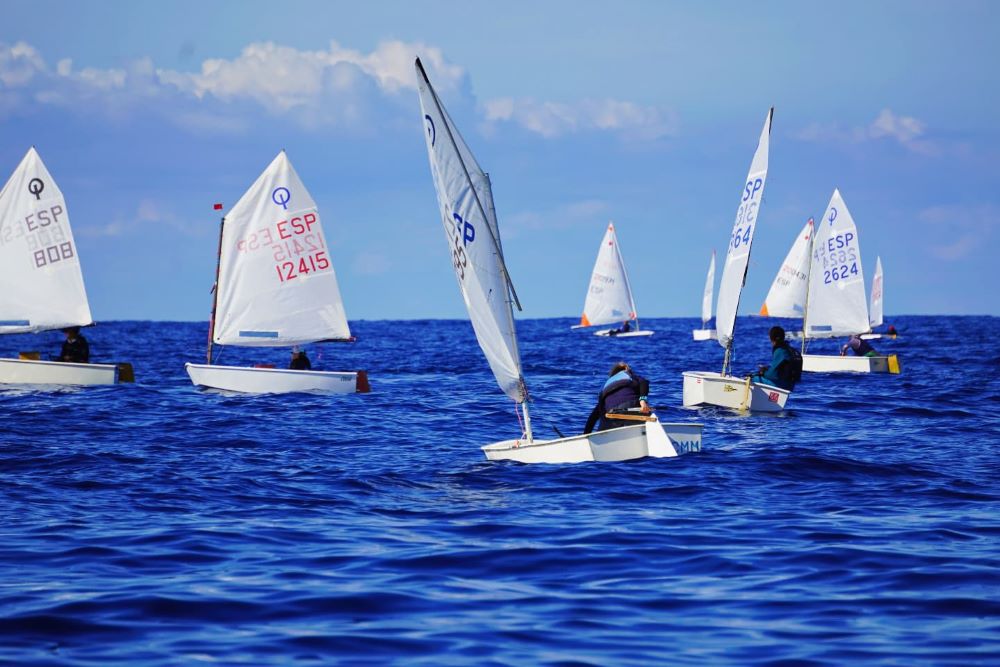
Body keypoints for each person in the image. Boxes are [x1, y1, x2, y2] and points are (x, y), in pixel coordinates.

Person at [584, 361, 650, 433]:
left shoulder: (606, 386)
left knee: (603, 422)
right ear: (627, 369)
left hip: (611, 413)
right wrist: (642, 400)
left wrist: (586, 434)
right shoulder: (628, 374)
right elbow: (643, 382)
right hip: (631, 407)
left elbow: (593, 416)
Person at [750, 325, 801, 391]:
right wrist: (767, 369)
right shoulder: (791, 350)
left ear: (772, 339)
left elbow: (771, 375)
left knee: (752, 378)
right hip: (790, 386)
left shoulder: (780, 351)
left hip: (781, 385)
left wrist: (763, 372)